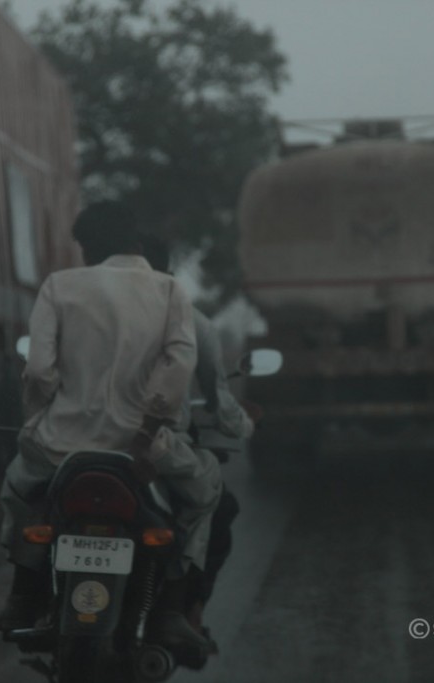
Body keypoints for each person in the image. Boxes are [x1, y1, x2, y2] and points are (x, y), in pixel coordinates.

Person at [0, 201, 220, 655]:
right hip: (144, 451)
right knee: (206, 490)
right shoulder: (169, 289)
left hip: (61, 449)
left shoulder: (59, 286)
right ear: (134, 240)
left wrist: (40, 419)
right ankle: (172, 609)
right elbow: (179, 365)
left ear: (85, 248)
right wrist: (145, 436)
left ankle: (23, 595)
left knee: (17, 493)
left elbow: (39, 372)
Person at [140, 234, 258, 639]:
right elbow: (218, 400)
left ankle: (26, 595)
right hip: (155, 447)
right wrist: (242, 425)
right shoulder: (189, 320)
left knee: (33, 498)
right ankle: (181, 608)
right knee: (214, 504)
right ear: (168, 274)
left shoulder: (78, 312)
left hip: (78, 445)